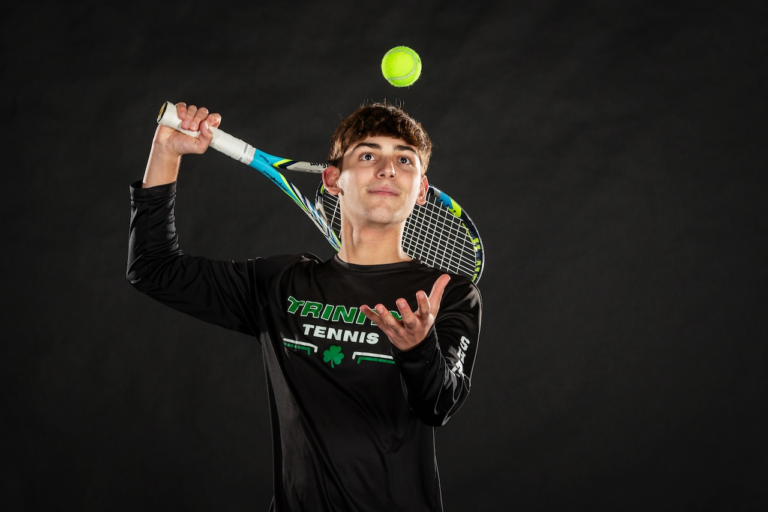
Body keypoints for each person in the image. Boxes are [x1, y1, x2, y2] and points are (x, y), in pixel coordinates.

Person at [127, 101, 482, 511]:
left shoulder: (446, 293)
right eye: (368, 155)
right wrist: (166, 151)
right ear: (333, 179)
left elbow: (438, 405)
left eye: (405, 160)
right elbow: (153, 270)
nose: (388, 169)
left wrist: (418, 348)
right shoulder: (281, 284)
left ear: (420, 190)